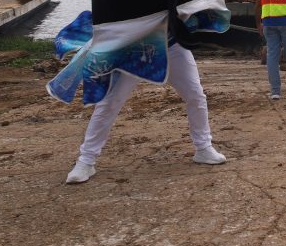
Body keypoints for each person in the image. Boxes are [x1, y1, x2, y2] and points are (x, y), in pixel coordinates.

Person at [65, 43, 226, 184]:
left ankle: (203, 148)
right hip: (133, 48)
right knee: (110, 102)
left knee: (195, 95)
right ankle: (86, 160)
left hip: (170, 44)